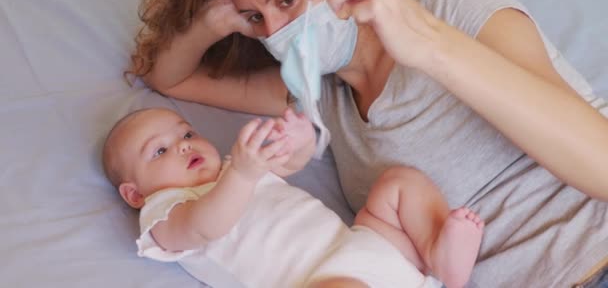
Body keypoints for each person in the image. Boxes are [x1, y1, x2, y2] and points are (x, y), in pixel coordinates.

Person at [128, 0, 608, 287]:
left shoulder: (447, 8)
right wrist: (218, 18)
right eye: (257, 19)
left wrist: (425, 44)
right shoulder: (318, 97)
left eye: (287, 1)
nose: (276, 31)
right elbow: (169, 78)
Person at [101, 107, 484, 288]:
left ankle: (439, 253)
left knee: (398, 183)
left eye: (186, 134)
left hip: (368, 246)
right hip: (324, 279)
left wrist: (301, 141)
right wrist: (242, 174)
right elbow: (203, 227)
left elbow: (289, 164)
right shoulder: (162, 213)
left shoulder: (237, 167)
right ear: (134, 193)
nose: (183, 147)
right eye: (160, 151)